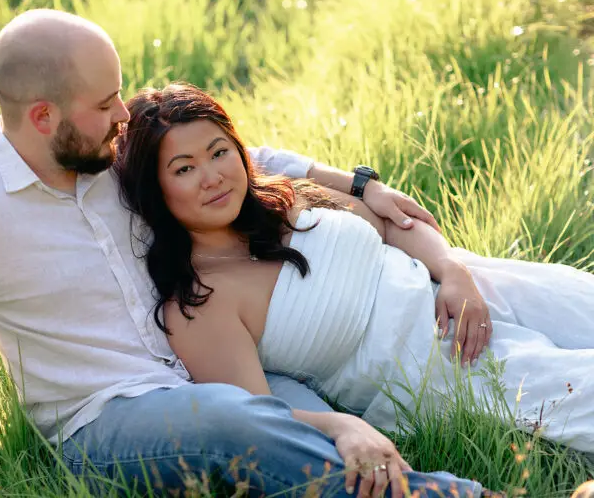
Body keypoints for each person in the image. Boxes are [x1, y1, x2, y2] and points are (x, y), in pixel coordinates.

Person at [0, 9, 487, 498]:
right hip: (108, 417)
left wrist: (361, 186)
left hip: (211, 372)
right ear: (44, 117)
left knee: (332, 432)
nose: (123, 116)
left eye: (120, 96)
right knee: (240, 424)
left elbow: (235, 155)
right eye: (105, 105)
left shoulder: (104, 153)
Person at [116, 83, 594, 460]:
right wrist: (343, 426)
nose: (213, 176)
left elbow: (393, 225)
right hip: (436, 366)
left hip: (466, 284)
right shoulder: (199, 303)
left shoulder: (282, 199)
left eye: (219, 152)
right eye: (184, 169)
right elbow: (260, 416)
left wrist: (451, 270)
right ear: (154, 191)